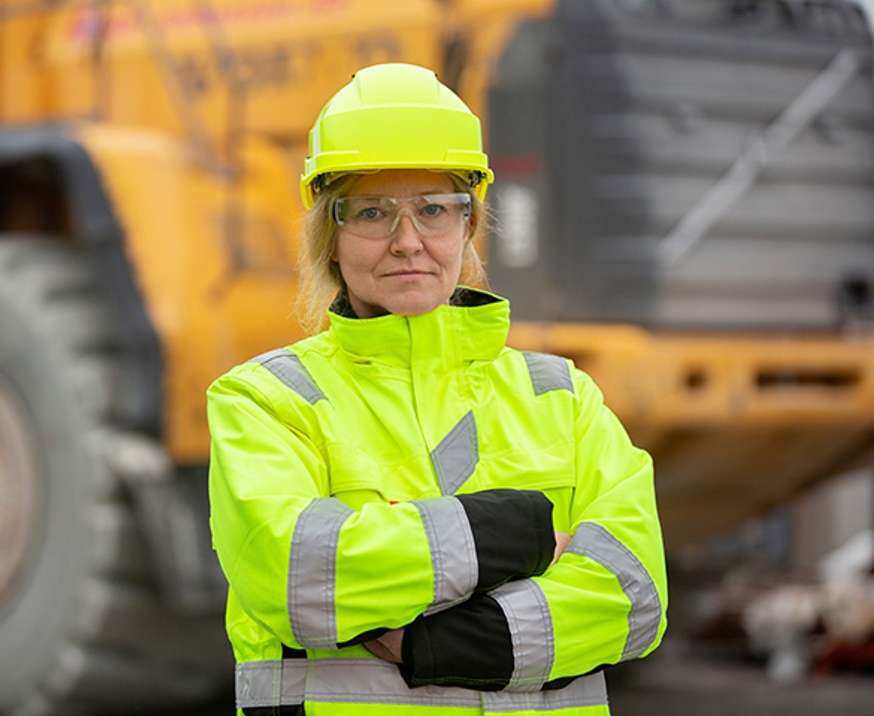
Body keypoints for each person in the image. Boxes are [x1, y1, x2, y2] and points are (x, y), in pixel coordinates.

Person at [207, 62, 667, 716]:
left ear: (467, 226)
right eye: (371, 212)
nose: (407, 242)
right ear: (330, 237)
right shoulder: (265, 403)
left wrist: (435, 645)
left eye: (433, 210)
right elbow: (296, 578)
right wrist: (521, 534)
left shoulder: (562, 397)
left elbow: (634, 593)